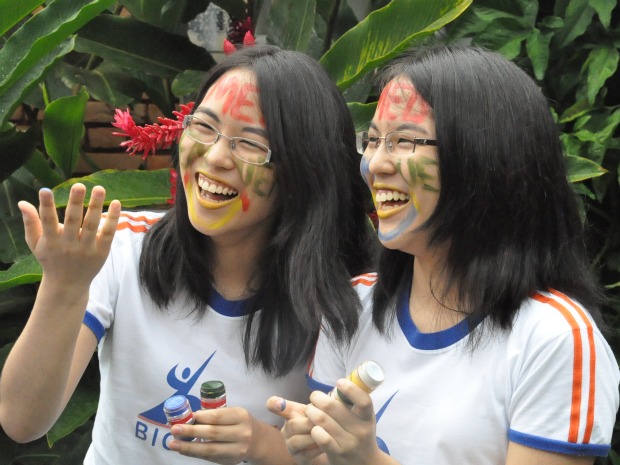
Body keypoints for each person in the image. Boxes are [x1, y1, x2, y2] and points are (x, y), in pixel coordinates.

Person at [0, 44, 375, 465]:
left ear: (303, 173)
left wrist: (261, 444)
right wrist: (64, 285)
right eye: (205, 127)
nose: (214, 157)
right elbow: (21, 421)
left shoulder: (343, 307)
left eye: (250, 144)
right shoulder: (123, 247)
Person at [267, 44, 620, 465]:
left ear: (483, 159)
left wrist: (368, 460)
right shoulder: (352, 305)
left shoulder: (557, 338)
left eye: (403, 141)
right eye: (374, 140)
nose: (375, 164)